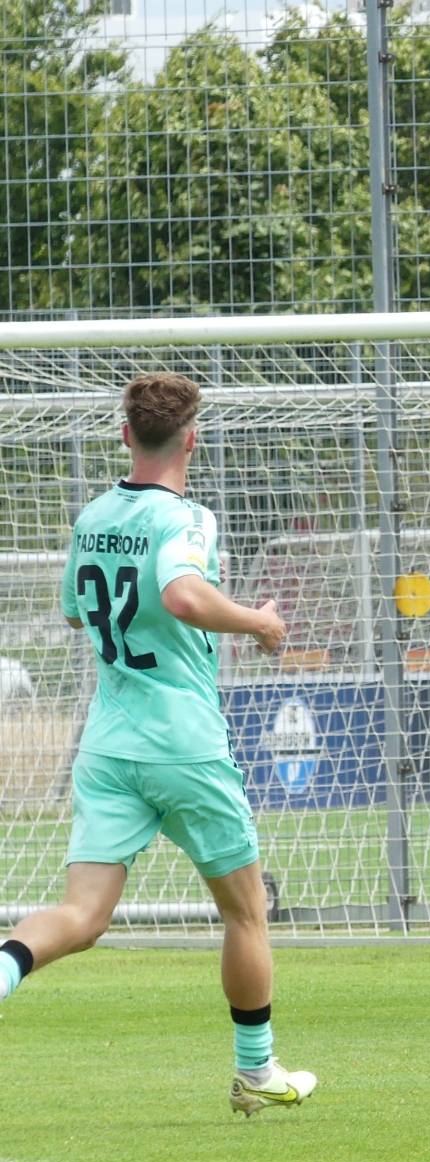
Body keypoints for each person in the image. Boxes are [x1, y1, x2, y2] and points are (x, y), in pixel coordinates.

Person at [0, 373, 316, 1116]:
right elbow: (180, 593)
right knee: (246, 913)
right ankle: (256, 1071)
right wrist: (258, 622)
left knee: (82, 917)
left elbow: (77, 614)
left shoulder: (93, 516)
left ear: (125, 435)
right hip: (182, 745)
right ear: (192, 440)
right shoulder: (188, 518)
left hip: (109, 747)